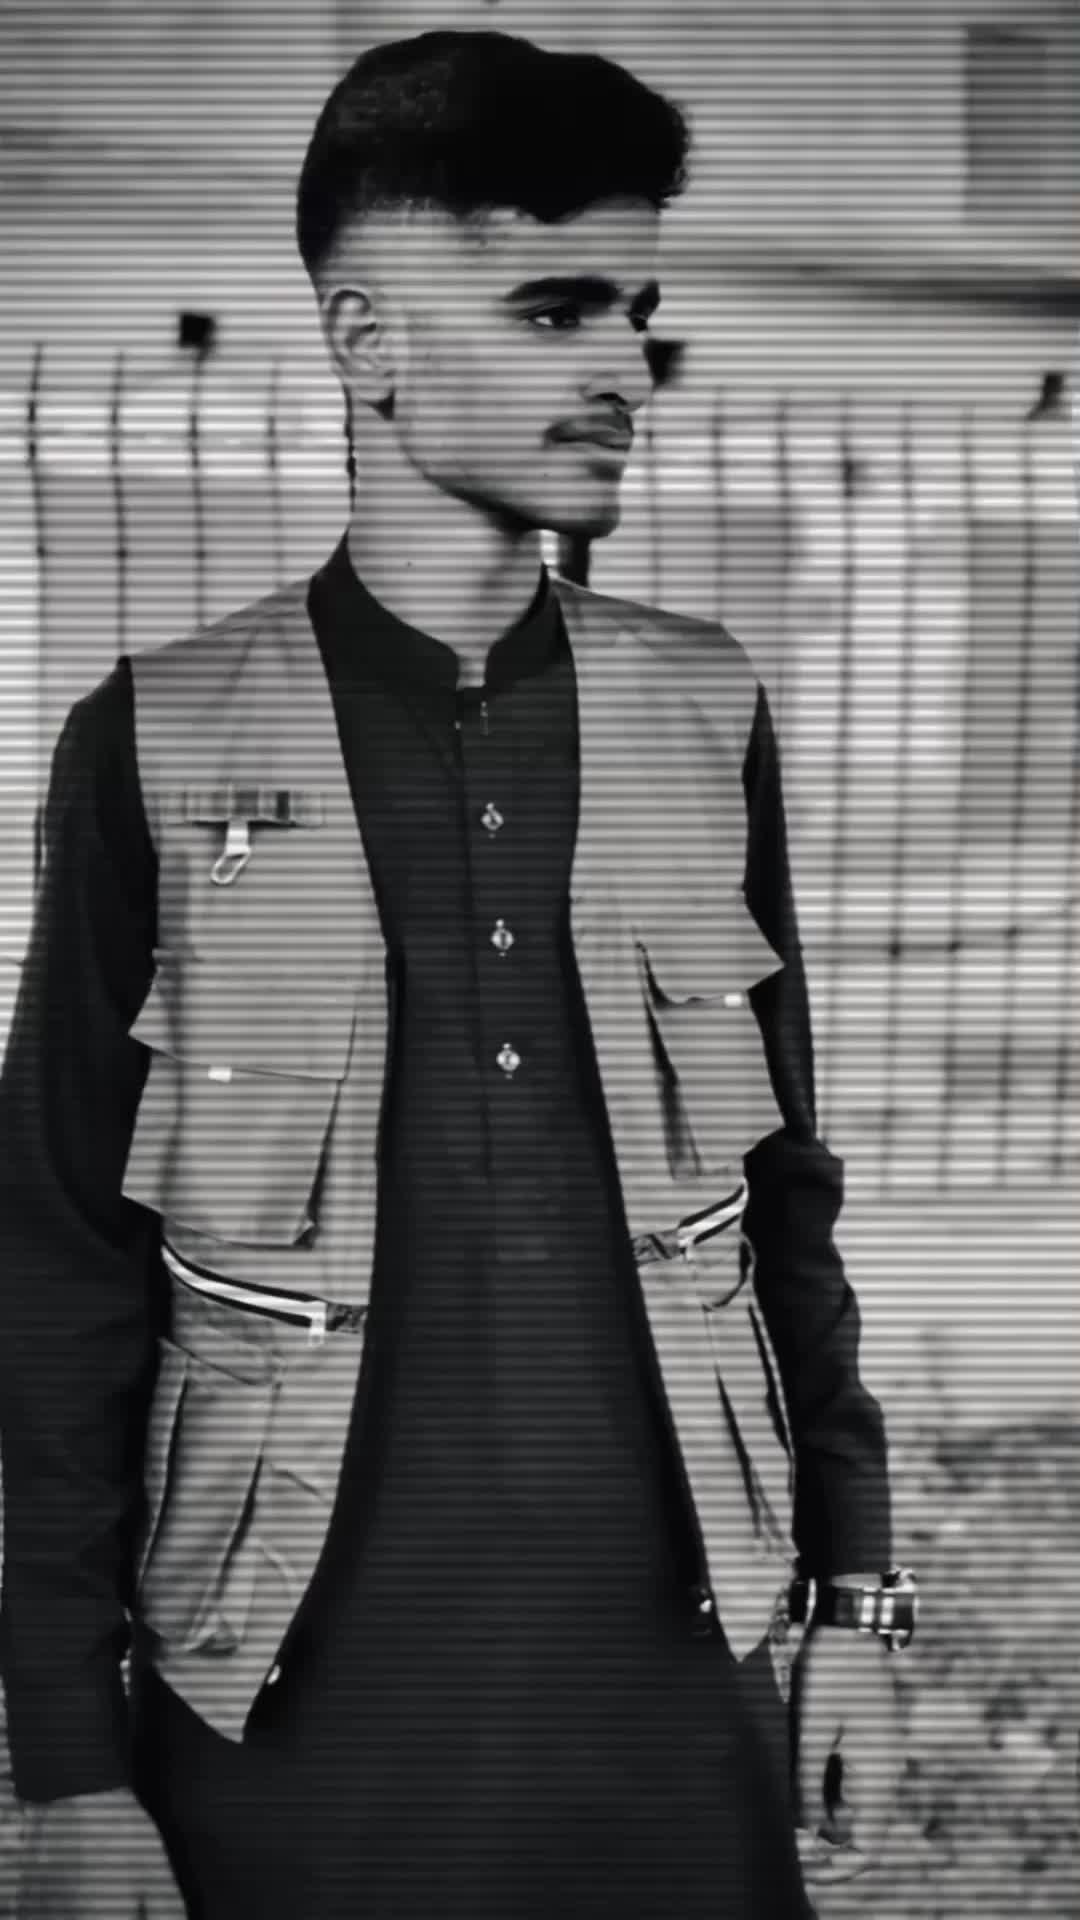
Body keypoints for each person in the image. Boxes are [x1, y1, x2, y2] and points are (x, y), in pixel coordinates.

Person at [0, 30, 909, 1920]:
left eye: (638, 317)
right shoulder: (154, 739)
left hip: (681, 1675)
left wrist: (852, 1603)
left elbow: (787, 1201)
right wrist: (73, 1768)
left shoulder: (704, 706)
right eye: (555, 310)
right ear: (367, 340)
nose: (622, 372)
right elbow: (60, 1266)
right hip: (277, 1700)